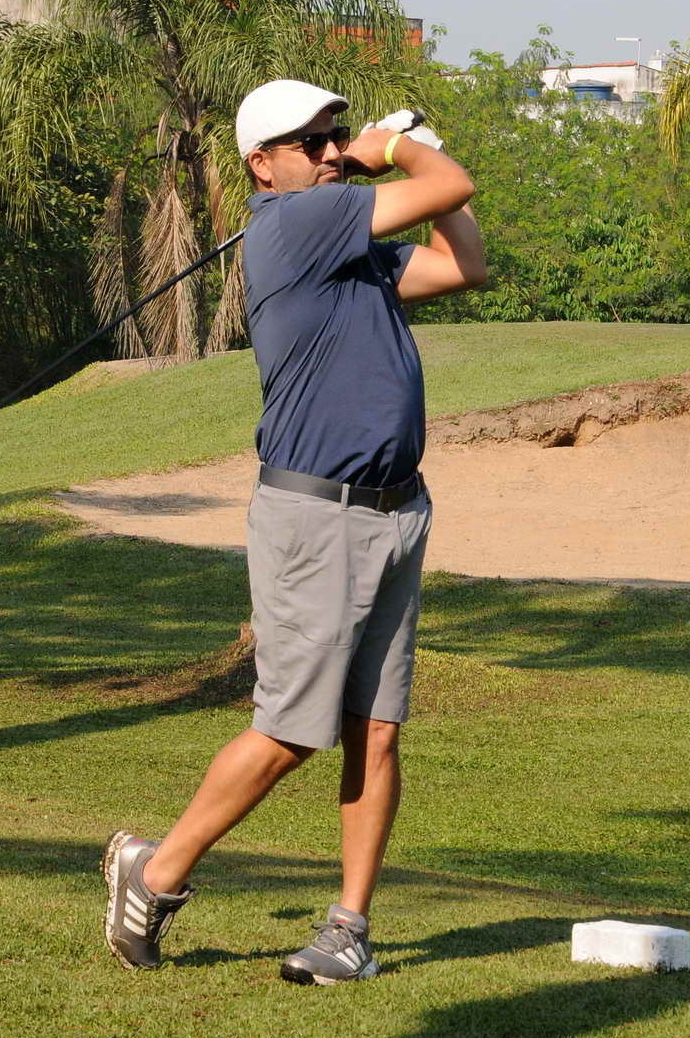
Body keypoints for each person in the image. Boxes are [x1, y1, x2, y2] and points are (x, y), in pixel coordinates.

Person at [101, 78, 487, 984]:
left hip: (395, 511)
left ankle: (349, 929)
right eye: (311, 143)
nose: (331, 152)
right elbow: (450, 184)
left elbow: (463, 261)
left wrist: (414, 157)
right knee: (291, 731)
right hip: (318, 518)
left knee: (376, 730)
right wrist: (395, 148)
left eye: (335, 136)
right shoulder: (295, 223)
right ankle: (153, 873)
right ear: (262, 167)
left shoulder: (349, 252)